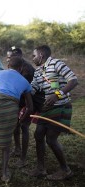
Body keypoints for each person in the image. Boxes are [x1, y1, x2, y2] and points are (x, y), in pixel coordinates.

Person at [28, 45, 78, 180]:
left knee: (51, 139)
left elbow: (73, 80)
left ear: (41, 55)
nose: (32, 58)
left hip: (61, 105)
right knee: (38, 135)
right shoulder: (38, 72)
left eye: (34, 55)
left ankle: (65, 170)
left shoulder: (56, 64)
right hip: (47, 108)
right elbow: (33, 88)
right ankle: (40, 168)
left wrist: (57, 95)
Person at [0, 56, 33, 182]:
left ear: (8, 65)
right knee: (6, 142)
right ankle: (4, 173)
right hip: (10, 110)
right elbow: (30, 107)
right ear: (21, 68)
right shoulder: (25, 82)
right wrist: (21, 119)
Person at [6, 46, 35, 168]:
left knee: (24, 127)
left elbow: (22, 89)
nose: (8, 61)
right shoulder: (16, 67)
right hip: (18, 102)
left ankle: (23, 158)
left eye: (10, 58)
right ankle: (17, 149)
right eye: (8, 58)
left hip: (27, 103)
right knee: (15, 125)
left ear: (18, 57)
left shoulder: (26, 70)